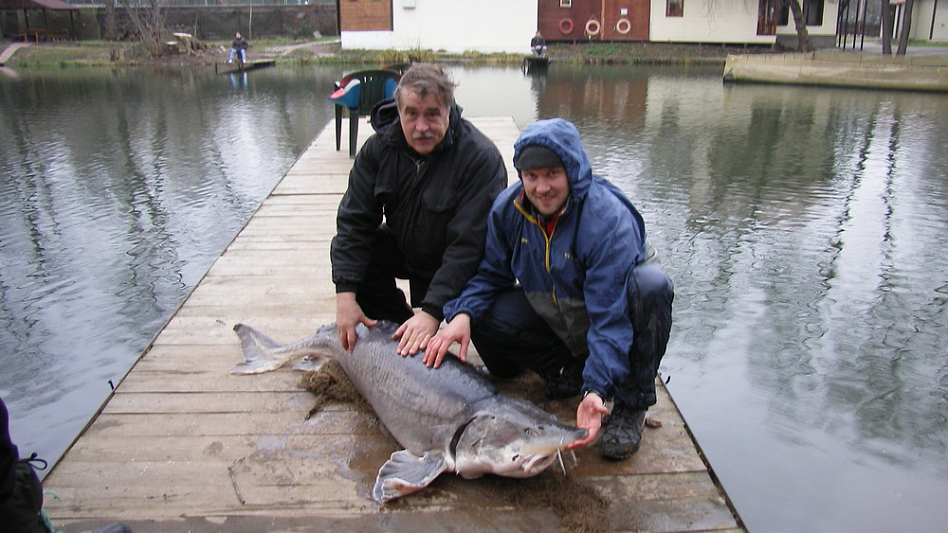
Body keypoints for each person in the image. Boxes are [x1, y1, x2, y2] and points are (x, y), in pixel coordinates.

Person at [425, 118, 674, 461]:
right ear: (521, 177)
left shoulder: (606, 221)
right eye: (532, 177)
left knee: (652, 287)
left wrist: (597, 389)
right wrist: (461, 313)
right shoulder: (507, 210)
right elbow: (490, 275)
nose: (541, 188)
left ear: (572, 170)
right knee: (483, 313)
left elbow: (609, 319)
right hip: (561, 315)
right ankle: (566, 369)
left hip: (612, 311)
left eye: (552, 174)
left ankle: (631, 401)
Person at [331, 63, 508, 355]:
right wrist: (345, 297)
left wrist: (432, 312)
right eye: (411, 114)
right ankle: (402, 330)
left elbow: (469, 245)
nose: (421, 127)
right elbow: (354, 224)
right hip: (407, 246)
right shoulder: (378, 150)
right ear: (398, 111)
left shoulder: (479, 157)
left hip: (465, 263)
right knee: (361, 261)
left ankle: (433, 322)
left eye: (432, 115)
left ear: (448, 112)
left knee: (503, 360)